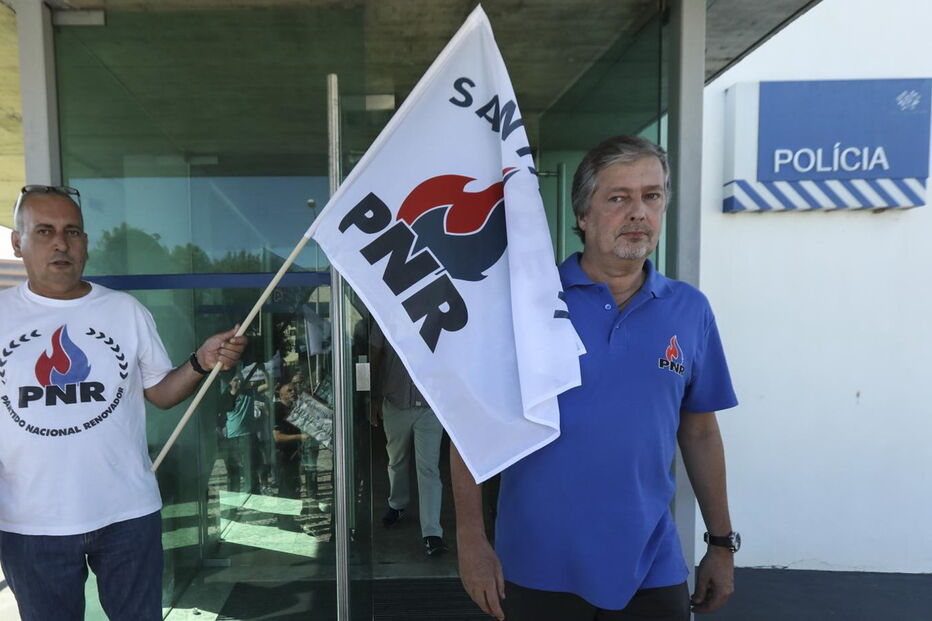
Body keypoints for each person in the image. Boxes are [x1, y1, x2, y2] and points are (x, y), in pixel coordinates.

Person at [451, 136, 740, 621]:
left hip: (652, 565)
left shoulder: (690, 310)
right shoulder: (525, 305)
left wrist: (721, 543)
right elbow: (469, 428)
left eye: (652, 196)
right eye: (618, 197)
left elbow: (701, 431)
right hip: (536, 567)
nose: (638, 212)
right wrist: (470, 540)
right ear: (583, 215)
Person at [0, 185, 246, 621]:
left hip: (127, 515)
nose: (61, 242)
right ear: (18, 242)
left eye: (72, 231)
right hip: (31, 524)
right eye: (44, 231)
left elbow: (161, 393)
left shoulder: (124, 311)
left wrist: (200, 361)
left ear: (86, 244)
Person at [370, 320, 447, 556]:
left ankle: (432, 532)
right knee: (396, 460)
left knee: (429, 469)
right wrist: (370, 397)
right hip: (395, 402)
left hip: (430, 404)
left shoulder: (438, 314)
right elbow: (374, 355)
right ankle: (397, 503)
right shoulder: (385, 311)